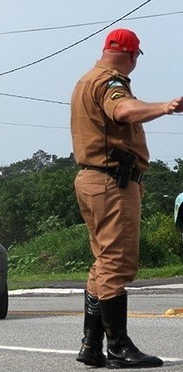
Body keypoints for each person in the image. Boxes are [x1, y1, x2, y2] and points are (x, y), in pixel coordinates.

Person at [71, 28, 183, 369]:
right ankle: (118, 346)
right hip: (110, 183)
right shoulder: (109, 82)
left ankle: (92, 344)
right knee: (117, 264)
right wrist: (164, 107)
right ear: (132, 55)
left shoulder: (85, 79)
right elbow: (122, 111)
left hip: (95, 180)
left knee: (103, 262)